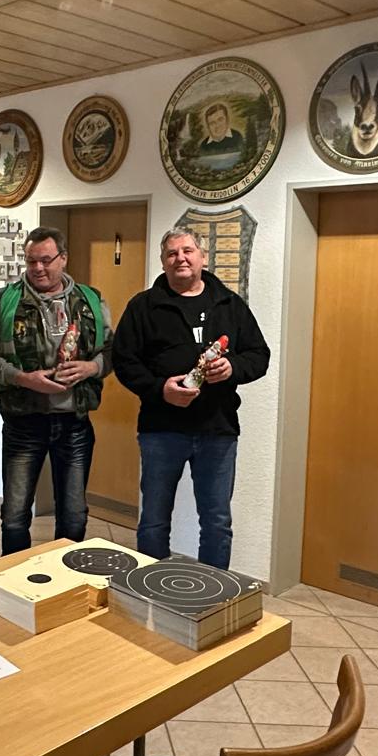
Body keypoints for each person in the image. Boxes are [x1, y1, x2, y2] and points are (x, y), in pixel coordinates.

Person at [112, 228, 270, 568]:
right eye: (172, 253)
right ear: (163, 261)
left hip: (218, 430)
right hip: (161, 429)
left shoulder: (229, 304)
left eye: (187, 251)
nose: (180, 258)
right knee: (154, 521)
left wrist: (233, 367)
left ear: (203, 257)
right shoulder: (143, 306)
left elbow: (259, 356)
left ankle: (214, 594)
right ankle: (148, 590)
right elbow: (123, 361)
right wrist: (160, 389)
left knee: (217, 523)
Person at [0, 227, 114, 554]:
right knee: (14, 517)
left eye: (46, 260)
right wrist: (23, 378)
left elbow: (112, 351)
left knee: (74, 517)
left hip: (74, 424)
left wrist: (91, 368)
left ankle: (65, 579)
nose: (38, 268)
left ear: (63, 259)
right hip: (23, 422)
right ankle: (13, 578)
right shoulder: (6, 301)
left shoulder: (91, 301)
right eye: (31, 261)